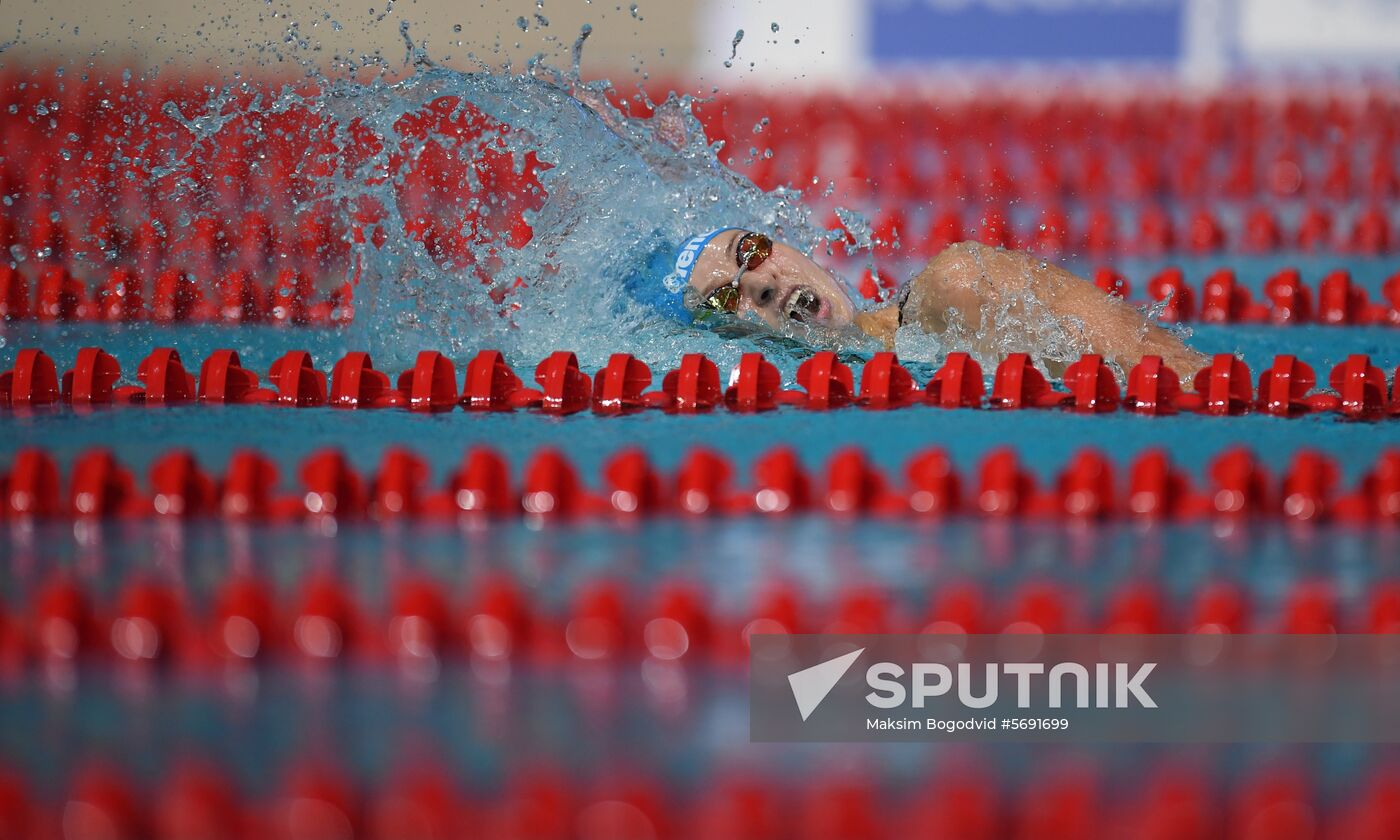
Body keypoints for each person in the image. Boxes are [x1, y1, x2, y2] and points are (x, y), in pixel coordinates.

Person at [657, 226, 1209, 377]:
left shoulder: (956, 288)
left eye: (749, 249)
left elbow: (1187, 378)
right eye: (728, 295)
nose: (759, 281)